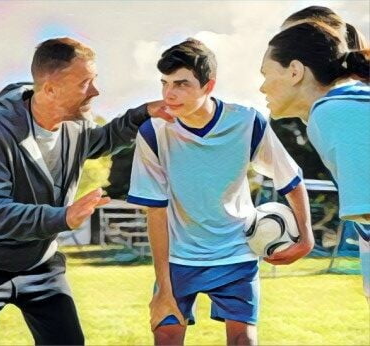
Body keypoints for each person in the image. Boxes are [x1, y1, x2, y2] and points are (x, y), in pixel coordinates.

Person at [0, 37, 173, 345]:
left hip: (40, 264)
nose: (95, 91)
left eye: (94, 81)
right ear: (49, 89)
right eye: (85, 83)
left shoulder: (75, 123)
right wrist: (63, 216)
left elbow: (101, 141)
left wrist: (141, 114)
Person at [127, 38, 314, 346]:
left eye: (182, 84)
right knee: (166, 338)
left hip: (236, 252)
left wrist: (305, 236)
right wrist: (163, 286)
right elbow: (156, 212)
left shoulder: (247, 122)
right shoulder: (153, 133)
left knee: (243, 341)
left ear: (208, 86)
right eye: (165, 83)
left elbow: (290, 179)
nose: (169, 94)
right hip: (179, 258)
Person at [259, 22, 370, 304]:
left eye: (266, 74)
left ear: (295, 71)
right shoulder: (344, 104)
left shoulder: (332, 112)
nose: (261, 87)